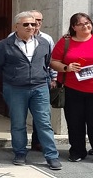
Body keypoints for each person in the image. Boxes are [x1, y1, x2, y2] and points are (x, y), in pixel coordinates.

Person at [0, 11, 62, 170]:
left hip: (39, 88)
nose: (31, 27)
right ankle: (20, 153)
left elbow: (48, 62)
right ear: (16, 26)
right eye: (26, 24)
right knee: (18, 123)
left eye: (33, 24)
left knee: (44, 123)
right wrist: (12, 78)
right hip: (15, 89)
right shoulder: (4, 45)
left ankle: (51, 156)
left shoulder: (43, 42)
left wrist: (50, 78)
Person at [50, 13, 93, 167]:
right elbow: (54, 61)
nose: (86, 26)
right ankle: (77, 151)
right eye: (81, 24)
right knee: (75, 122)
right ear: (74, 27)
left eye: (88, 23)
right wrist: (66, 68)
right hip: (73, 89)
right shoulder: (65, 42)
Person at [27, 9, 56, 152]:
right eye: (34, 20)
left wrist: (54, 77)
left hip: (42, 81)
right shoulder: (13, 37)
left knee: (42, 115)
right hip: (20, 84)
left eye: (39, 20)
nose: (36, 23)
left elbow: (51, 60)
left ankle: (38, 142)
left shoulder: (47, 39)